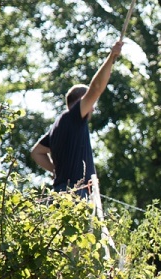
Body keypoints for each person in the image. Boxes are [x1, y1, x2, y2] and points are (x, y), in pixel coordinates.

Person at [31, 41, 123, 199]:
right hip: (76, 195)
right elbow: (96, 88)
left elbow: (36, 152)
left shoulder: (58, 127)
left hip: (60, 194)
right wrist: (111, 57)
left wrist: (55, 170)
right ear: (78, 102)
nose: (93, 107)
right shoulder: (72, 117)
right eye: (90, 102)